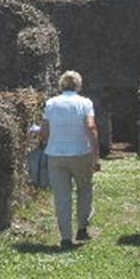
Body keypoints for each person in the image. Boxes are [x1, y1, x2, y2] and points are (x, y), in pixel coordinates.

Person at [39, 70, 100, 250]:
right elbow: (91, 126)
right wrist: (95, 155)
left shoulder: (51, 104)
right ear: (79, 85)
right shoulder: (85, 103)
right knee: (84, 189)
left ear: (61, 85)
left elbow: (44, 133)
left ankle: (65, 237)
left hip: (56, 155)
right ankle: (82, 228)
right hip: (81, 152)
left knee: (62, 197)